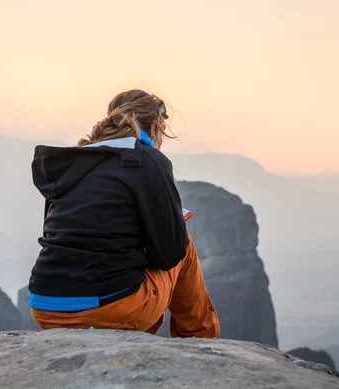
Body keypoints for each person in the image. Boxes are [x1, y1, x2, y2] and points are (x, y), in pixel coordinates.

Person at [28, 89, 220, 338]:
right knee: (184, 243)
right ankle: (201, 343)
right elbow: (169, 255)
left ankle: (137, 344)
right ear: (155, 128)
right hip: (110, 310)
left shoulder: (72, 163)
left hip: (45, 308)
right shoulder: (147, 159)